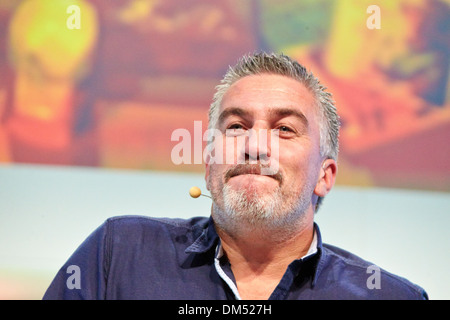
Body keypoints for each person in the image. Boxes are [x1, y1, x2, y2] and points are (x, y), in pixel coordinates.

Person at [43, 52, 428, 300]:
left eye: (285, 129)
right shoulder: (119, 255)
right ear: (210, 167)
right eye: (237, 127)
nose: (255, 146)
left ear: (325, 176)